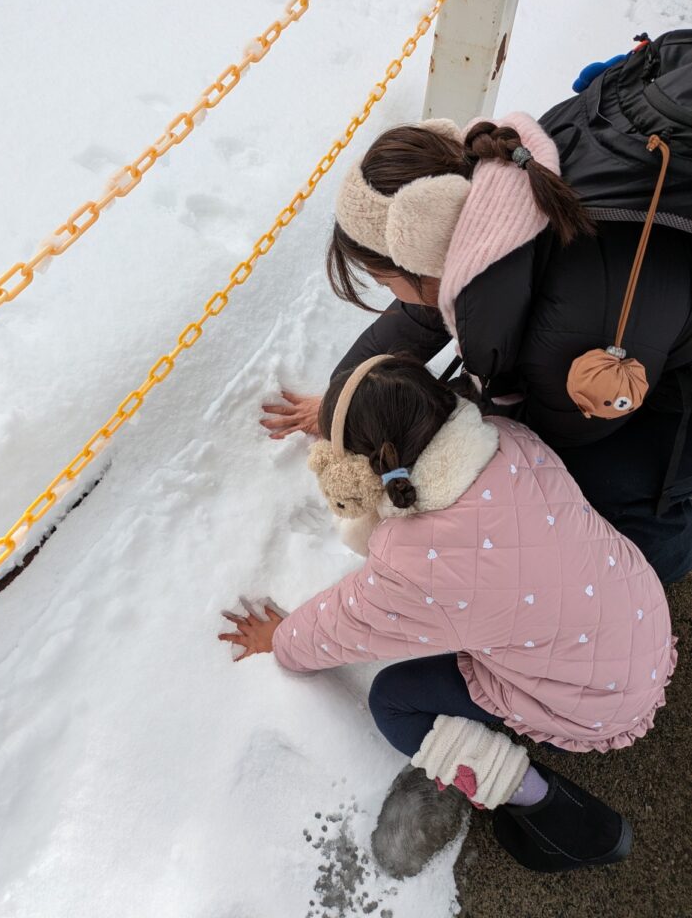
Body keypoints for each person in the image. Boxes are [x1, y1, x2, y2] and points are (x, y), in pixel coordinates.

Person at [225, 355, 676, 872]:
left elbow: (348, 623)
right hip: (643, 625)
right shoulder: (508, 438)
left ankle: (537, 799)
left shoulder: (417, 560)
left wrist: (280, 640)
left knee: (393, 703)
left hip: (595, 704)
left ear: (362, 471)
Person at [260, 113, 692, 585]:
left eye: (385, 279)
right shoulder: (500, 185)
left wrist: (403, 432)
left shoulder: (570, 337)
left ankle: (667, 535)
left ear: (423, 259)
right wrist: (347, 397)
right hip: (631, 333)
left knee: (579, 521)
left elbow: (540, 442)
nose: (388, 291)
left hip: (646, 396)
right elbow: (428, 310)